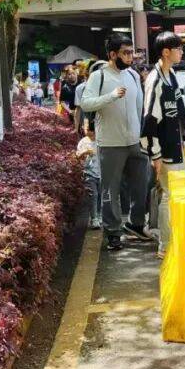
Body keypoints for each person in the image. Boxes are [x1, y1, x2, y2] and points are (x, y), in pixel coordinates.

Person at [79, 35, 152, 251]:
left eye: (132, 52)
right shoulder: (98, 76)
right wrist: (110, 96)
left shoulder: (133, 75)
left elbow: (139, 107)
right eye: (125, 53)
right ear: (112, 54)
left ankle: (136, 224)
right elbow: (86, 103)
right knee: (110, 189)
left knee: (141, 185)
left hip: (135, 141)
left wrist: (142, 134)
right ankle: (113, 232)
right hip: (110, 143)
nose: (131, 57)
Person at [141, 32, 185, 257]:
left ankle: (173, 241)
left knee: (175, 195)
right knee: (169, 196)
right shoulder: (155, 80)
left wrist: (184, 140)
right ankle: (165, 245)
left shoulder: (171, 75)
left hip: (175, 145)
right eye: (178, 48)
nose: (182, 52)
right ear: (166, 52)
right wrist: (155, 154)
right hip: (164, 149)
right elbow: (149, 118)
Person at [76, 122, 102, 228]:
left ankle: (99, 215)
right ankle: (94, 219)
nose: (87, 131)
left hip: (101, 173)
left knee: (100, 195)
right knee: (93, 195)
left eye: (89, 129)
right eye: (86, 129)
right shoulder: (83, 142)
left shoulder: (101, 141)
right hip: (89, 173)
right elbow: (77, 156)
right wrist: (85, 152)